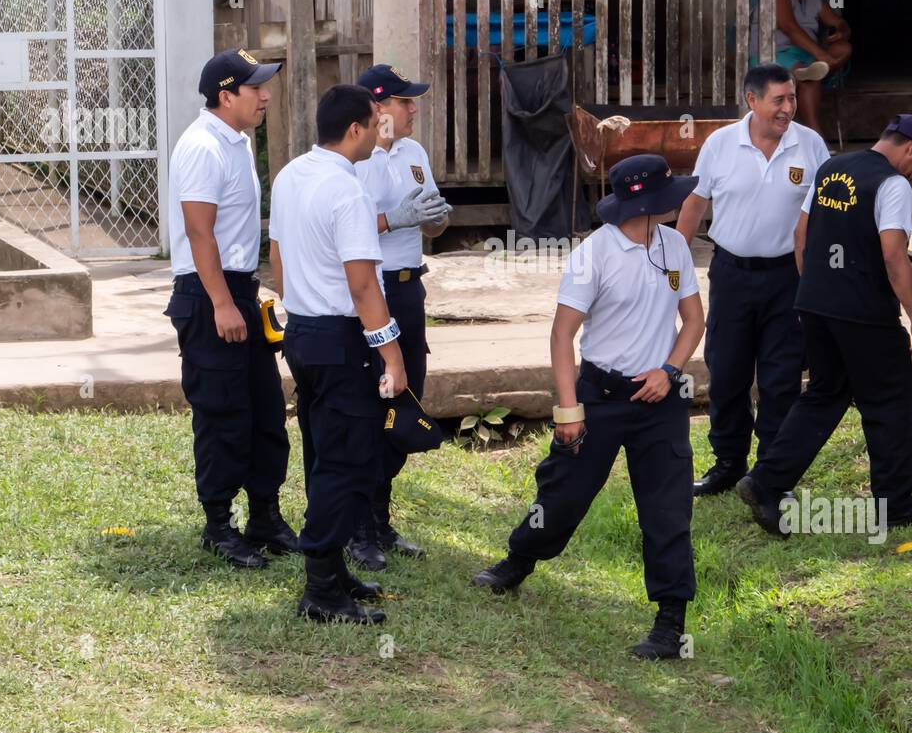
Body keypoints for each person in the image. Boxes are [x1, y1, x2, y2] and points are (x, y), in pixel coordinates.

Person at [472, 154, 706, 660]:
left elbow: (693, 321)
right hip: (598, 396)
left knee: (668, 510)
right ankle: (518, 560)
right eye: (671, 193)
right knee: (562, 493)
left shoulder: (674, 247)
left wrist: (669, 371)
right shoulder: (593, 254)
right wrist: (569, 409)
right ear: (648, 203)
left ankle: (670, 622)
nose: (680, 199)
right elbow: (562, 335)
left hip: (660, 399)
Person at [736, 114, 912, 538]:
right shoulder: (893, 185)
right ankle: (895, 502)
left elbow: (801, 235)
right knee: (890, 402)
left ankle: (766, 482)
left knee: (823, 395)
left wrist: (812, 289)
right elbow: (893, 255)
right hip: (866, 312)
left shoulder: (831, 168)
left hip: (816, 304)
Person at [268, 84, 409, 624]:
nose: (382, 131)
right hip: (339, 338)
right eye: (376, 122)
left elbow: (277, 256)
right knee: (347, 462)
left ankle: (331, 572)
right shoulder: (348, 192)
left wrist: (300, 303)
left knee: (326, 452)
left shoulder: (289, 176)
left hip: (302, 332)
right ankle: (322, 592)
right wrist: (393, 358)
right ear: (355, 129)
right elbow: (364, 289)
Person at [164, 48, 295, 569]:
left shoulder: (236, 141)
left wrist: (244, 294)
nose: (265, 96)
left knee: (265, 410)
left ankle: (265, 515)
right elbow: (199, 232)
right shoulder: (202, 146)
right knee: (221, 413)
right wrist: (221, 302)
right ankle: (219, 525)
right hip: (206, 293)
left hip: (238, 290)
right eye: (255, 88)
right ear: (226, 95)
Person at [676, 64, 830, 500]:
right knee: (726, 371)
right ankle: (728, 463)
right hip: (731, 275)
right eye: (778, 100)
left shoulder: (810, 145)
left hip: (789, 277)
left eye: (792, 98)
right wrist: (670, 263)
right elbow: (693, 204)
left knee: (781, 378)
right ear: (752, 100)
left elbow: (828, 209)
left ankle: (769, 471)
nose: (788, 108)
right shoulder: (721, 144)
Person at [348, 63, 452, 570]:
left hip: (411, 289)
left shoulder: (414, 152)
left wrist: (434, 219)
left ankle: (380, 521)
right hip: (375, 291)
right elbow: (344, 228)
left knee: (406, 404)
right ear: (378, 108)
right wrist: (394, 219)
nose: (413, 109)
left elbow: (431, 227)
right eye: (404, 101)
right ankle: (359, 528)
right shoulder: (355, 159)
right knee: (374, 404)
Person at [768, 0, 853, 137]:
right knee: (810, 80)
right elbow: (790, 28)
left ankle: (811, 71)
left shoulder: (814, 0)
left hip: (807, 58)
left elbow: (839, 22)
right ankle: (817, 138)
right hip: (775, 56)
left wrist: (842, 31)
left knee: (844, 48)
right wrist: (822, 54)